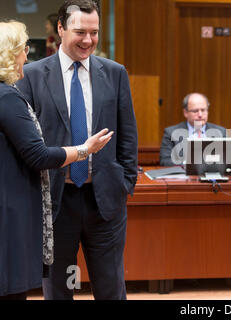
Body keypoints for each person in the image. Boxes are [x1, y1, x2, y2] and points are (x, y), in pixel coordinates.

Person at [17, 0, 138, 300]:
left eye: (94, 33)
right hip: (56, 202)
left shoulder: (115, 73)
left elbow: (128, 136)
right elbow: (24, 141)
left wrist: (125, 183)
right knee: (59, 290)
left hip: (105, 202)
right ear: (60, 28)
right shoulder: (31, 75)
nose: (88, 40)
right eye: (80, 31)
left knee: (111, 290)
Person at [0, 20, 113, 300]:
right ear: (10, 53)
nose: (28, 55)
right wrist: (84, 150)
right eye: (24, 49)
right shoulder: (7, 99)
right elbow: (37, 154)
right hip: (13, 210)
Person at [159, 92, 226, 166]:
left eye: (203, 110)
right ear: (185, 113)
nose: (200, 115)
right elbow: (165, 161)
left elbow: (228, 160)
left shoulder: (221, 132)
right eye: (195, 111)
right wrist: (188, 164)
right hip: (183, 176)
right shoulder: (171, 133)